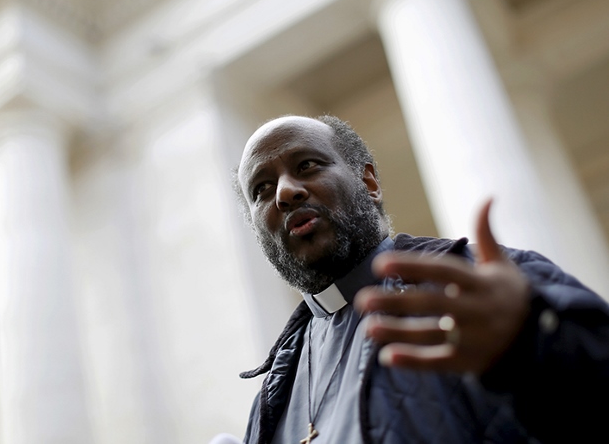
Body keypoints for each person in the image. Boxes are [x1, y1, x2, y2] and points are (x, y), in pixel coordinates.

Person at [233, 114, 609, 444]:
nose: (284, 192)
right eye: (261, 189)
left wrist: (535, 341)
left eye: (307, 165)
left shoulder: (480, 283)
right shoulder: (269, 399)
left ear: (369, 183)